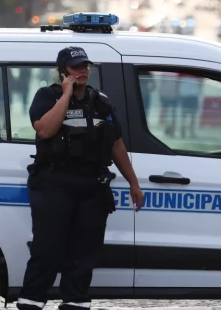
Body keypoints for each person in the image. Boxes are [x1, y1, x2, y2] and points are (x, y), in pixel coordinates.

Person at [17, 46, 144, 310]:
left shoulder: (101, 102)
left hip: (91, 186)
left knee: (84, 253)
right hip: (54, 184)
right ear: (63, 70)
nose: (82, 71)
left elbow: (116, 144)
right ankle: (32, 301)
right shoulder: (46, 96)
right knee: (47, 248)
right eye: (76, 67)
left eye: (85, 66)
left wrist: (133, 182)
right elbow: (45, 129)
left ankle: (75, 302)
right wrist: (66, 94)